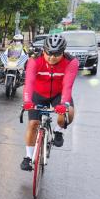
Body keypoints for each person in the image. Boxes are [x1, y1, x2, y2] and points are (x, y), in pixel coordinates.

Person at [21, 34, 79, 171]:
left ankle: (59, 131)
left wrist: (64, 104)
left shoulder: (71, 62)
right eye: (49, 53)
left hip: (58, 95)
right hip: (38, 94)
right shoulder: (34, 60)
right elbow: (29, 82)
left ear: (63, 52)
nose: (52, 57)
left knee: (68, 112)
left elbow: (67, 85)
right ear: (44, 50)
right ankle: (28, 157)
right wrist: (27, 101)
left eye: (57, 54)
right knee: (33, 124)